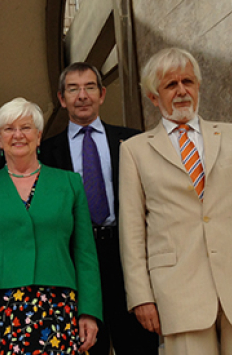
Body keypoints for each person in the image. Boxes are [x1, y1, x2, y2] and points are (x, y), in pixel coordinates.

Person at [39, 62, 158, 354]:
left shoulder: (133, 140)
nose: (82, 95)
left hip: (125, 257)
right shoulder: (46, 152)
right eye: (73, 88)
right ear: (61, 98)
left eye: (90, 87)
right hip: (77, 261)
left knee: (139, 345)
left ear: (102, 94)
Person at [120, 47, 232, 355]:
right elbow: (131, 231)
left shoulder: (230, 135)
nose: (182, 91)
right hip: (179, 292)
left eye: (188, 82)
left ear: (198, 87)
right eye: (171, 85)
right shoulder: (135, 150)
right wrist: (141, 296)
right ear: (154, 97)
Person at [0, 97, 103, 354]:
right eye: (9, 129)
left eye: (26, 127)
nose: (18, 135)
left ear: (39, 136)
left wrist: (89, 312)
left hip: (59, 306)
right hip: (2, 308)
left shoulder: (69, 183)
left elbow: (85, 253)